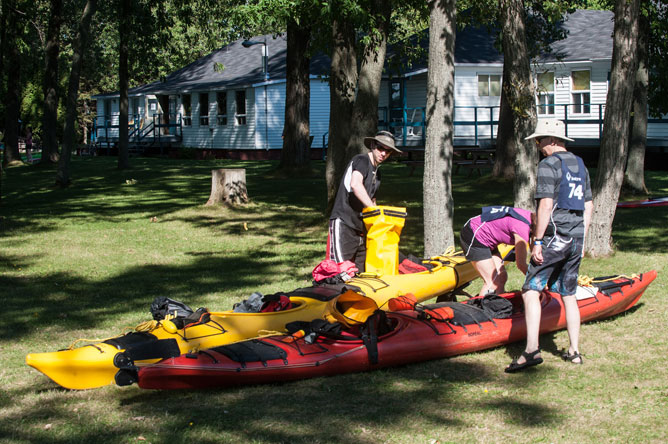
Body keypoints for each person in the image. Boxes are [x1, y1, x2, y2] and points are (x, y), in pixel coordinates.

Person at [505, 119, 593, 373]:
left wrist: (539, 240)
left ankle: (532, 350)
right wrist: (582, 238)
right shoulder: (580, 164)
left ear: (553, 140)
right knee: (569, 293)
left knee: (531, 289)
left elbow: (545, 204)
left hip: (555, 236)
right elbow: (588, 204)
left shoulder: (548, 164)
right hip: (575, 237)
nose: (538, 145)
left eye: (540, 140)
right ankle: (574, 351)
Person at [329, 130, 402, 271]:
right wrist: (373, 210)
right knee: (339, 270)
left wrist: (379, 219)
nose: (383, 153)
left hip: (361, 228)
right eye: (381, 148)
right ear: (373, 145)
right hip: (344, 222)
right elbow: (355, 184)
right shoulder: (361, 160)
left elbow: (372, 200)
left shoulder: (378, 173)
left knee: (361, 272)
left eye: (388, 151)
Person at [460, 206, 533, 296]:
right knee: (492, 282)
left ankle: (496, 306)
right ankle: (482, 309)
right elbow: (521, 264)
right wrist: (537, 283)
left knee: (501, 277)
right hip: (474, 234)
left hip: (487, 237)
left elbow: (535, 254)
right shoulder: (522, 229)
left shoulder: (530, 218)